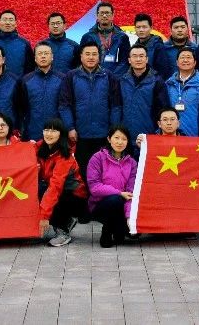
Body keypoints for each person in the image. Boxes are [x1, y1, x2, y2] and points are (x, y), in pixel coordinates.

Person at [58, 43, 123, 174]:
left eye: (94, 54)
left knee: (103, 170)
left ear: (99, 57)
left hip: (104, 134)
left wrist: (114, 130)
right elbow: (64, 105)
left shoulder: (109, 76)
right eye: (87, 54)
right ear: (81, 56)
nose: (91, 57)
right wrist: (70, 128)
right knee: (83, 171)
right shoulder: (71, 76)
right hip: (80, 134)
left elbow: (116, 106)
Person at [36, 118, 89, 247]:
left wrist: (44, 216)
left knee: (50, 194)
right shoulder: (39, 147)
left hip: (75, 197)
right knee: (37, 190)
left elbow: (55, 187)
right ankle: (67, 221)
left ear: (61, 134)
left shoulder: (65, 156)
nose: (49, 134)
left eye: (54, 131)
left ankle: (63, 232)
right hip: (55, 190)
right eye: (46, 130)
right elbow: (20, 149)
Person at [86, 126, 138, 248]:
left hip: (123, 205)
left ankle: (120, 228)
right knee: (115, 199)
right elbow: (94, 187)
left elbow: (131, 193)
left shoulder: (132, 163)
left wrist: (129, 218)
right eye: (116, 138)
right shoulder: (97, 158)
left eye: (124, 139)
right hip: (100, 204)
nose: (120, 142)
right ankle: (107, 232)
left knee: (132, 234)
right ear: (109, 139)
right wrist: (119, 193)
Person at [119, 44, 167, 151]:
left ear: (147, 59)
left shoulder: (157, 81)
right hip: (125, 136)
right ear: (129, 60)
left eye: (141, 56)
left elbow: (163, 109)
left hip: (149, 135)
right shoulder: (122, 80)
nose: (138, 59)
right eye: (134, 56)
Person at [163, 47, 199, 137]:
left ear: (195, 62)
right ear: (177, 62)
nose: (185, 60)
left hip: (195, 136)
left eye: (188, 57)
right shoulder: (169, 83)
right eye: (182, 57)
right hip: (172, 135)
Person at [22, 42, 66, 142]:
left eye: (46, 53)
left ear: (52, 57)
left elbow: (65, 107)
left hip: (56, 132)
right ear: (35, 58)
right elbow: (23, 108)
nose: (43, 56)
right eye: (40, 53)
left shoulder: (62, 79)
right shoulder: (26, 80)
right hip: (33, 132)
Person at [78, 2, 132, 78]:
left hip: (115, 79)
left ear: (112, 15)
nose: (104, 15)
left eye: (107, 13)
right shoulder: (87, 37)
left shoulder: (122, 37)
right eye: (102, 13)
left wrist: (112, 78)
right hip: (93, 78)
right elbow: (82, 60)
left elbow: (125, 62)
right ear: (97, 15)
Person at [0, 10, 35, 80]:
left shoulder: (24, 44)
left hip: (18, 84)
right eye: (5, 19)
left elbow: (30, 68)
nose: (8, 23)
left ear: (16, 24)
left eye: (11, 20)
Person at [131, 14, 174, 79]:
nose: (141, 30)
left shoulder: (158, 46)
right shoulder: (134, 47)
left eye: (144, 27)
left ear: (151, 28)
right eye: (138, 27)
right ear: (135, 29)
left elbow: (162, 71)